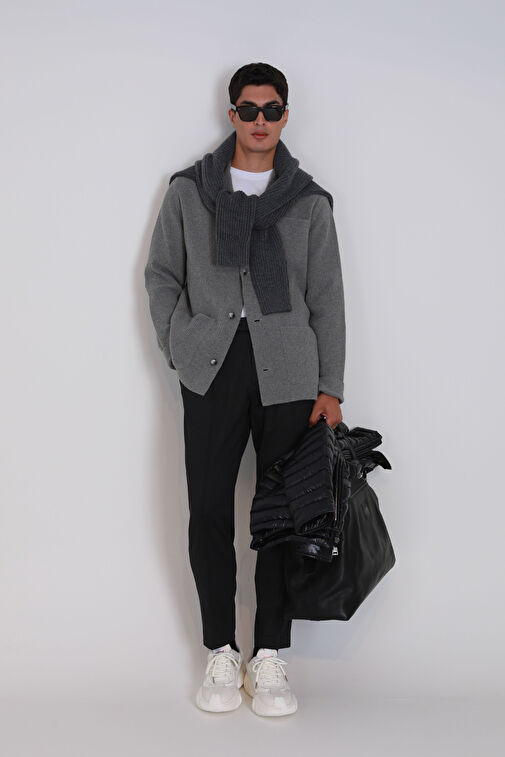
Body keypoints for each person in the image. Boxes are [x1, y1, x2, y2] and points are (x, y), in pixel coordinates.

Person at [144, 62, 346, 717]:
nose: (260, 120)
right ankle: (221, 651)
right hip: (210, 367)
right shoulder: (190, 192)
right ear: (232, 114)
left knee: (280, 516)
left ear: (285, 116)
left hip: (289, 372)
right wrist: (179, 345)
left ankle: (270, 653)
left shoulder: (309, 201)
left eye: (272, 109)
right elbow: (161, 276)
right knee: (208, 509)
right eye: (249, 109)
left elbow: (327, 297)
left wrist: (330, 386)